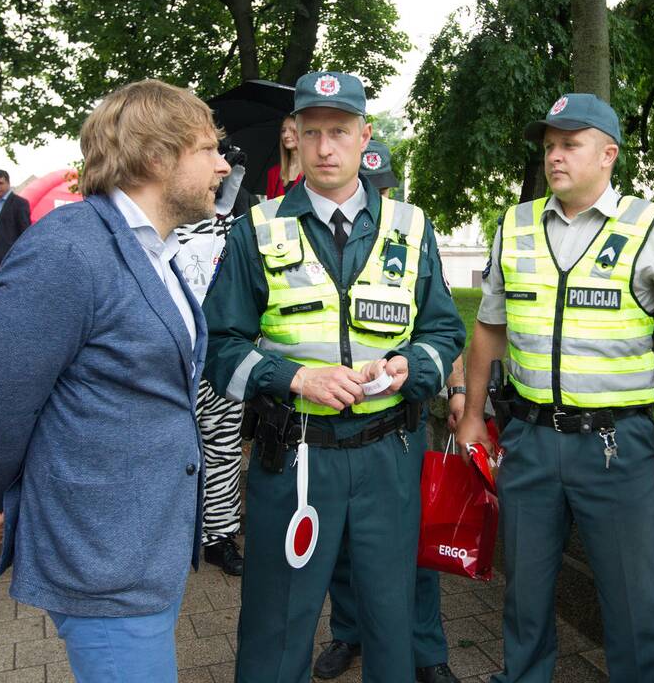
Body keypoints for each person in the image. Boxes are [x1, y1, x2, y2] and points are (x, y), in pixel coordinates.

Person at [0, 79, 230, 683]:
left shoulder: (156, 249)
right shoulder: (68, 251)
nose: (223, 164)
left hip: (149, 547)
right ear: (156, 157)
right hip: (102, 558)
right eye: (208, 149)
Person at [203, 70, 465, 683]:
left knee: (391, 616)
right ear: (292, 135)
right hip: (293, 456)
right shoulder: (258, 228)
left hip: (390, 454)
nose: (326, 147)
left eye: (340, 132)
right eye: (312, 132)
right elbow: (217, 347)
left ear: (363, 134)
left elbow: (444, 332)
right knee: (277, 621)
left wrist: (409, 367)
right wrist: (295, 378)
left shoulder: (410, 226)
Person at [457, 93, 654, 682]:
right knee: (525, 590)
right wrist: (472, 413)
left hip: (616, 444)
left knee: (634, 597)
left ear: (608, 154)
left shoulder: (652, 229)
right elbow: (490, 325)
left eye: (570, 144)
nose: (555, 157)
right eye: (548, 147)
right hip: (531, 440)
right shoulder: (515, 226)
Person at [312, 138, 459, 683]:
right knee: (344, 550)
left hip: (399, 426)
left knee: (410, 549)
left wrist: (454, 389)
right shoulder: (320, 234)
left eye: (380, 185)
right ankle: (348, 632)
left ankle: (426, 649)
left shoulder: (411, 233)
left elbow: (443, 326)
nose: (372, 193)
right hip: (330, 431)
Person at [174, 141, 249, 577]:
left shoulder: (236, 230)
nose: (222, 172)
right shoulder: (159, 230)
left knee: (222, 448)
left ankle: (220, 535)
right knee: (174, 451)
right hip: (175, 363)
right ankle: (178, 532)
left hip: (223, 359)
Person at [0, 169, 32, 275]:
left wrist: (21, 255)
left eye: (1, 183)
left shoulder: (19, 203)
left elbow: (25, 231)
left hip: (10, 255)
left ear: (8, 183)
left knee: (10, 288)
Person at [265, 114, 303, 198]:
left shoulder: (312, 172)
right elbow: (270, 208)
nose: (286, 135)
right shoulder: (273, 173)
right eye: (283, 130)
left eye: (292, 130)